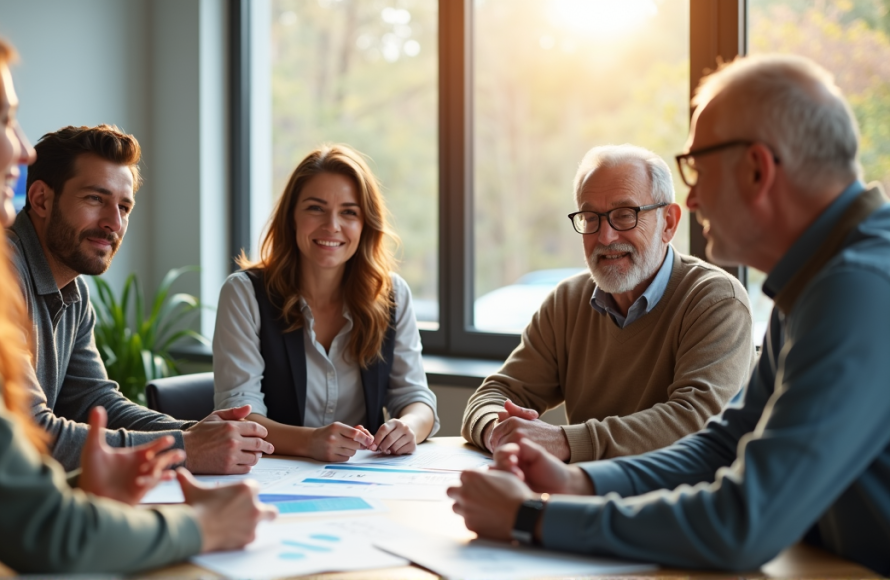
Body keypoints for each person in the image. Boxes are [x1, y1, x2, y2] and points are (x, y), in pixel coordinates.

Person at [448, 54, 890, 575]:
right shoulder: (816, 283)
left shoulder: (859, 288)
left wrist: (532, 519)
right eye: (592, 218)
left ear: (757, 169)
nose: (696, 198)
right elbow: (724, 443)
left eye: (697, 169)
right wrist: (577, 483)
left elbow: (741, 523)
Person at [0, 11, 274, 574]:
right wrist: (208, 521)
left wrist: (181, 438)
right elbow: (44, 526)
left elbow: (88, 411)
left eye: (124, 206)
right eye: (4, 119)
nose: (22, 149)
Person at [462, 145, 755, 462]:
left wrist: (563, 441)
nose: (605, 237)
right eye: (591, 218)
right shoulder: (567, 302)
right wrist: (499, 431)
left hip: (676, 503)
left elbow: (695, 422)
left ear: (668, 223)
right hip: (583, 495)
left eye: (625, 215)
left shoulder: (716, 300)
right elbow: (493, 396)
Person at [12, 125, 273, 473]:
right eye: (95, 199)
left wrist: (191, 433)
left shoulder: (73, 291)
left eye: (124, 206)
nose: (113, 223)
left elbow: (95, 403)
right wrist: (185, 449)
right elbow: (27, 434)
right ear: (41, 199)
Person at [213, 144, 439, 462]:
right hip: (270, 477)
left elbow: (415, 398)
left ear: (365, 224)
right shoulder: (244, 294)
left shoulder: (393, 295)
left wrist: (408, 427)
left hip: (365, 480)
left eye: (349, 212)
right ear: (292, 217)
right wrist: (311, 442)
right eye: (316, 208)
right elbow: (238, 414)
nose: (332, 225)